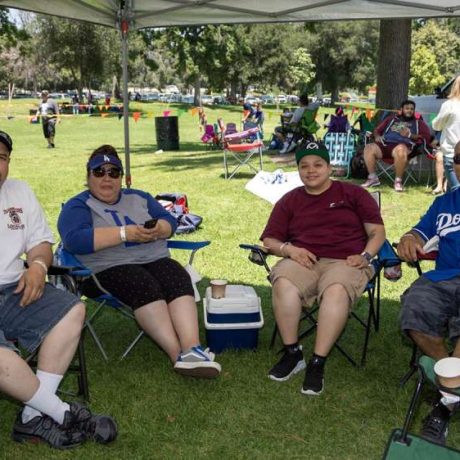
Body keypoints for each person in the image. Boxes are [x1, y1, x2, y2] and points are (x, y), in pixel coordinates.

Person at [58, 145, 221, 379]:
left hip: (152, 258)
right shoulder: (78, 205)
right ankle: (178, 355)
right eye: (99, 172)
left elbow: (169, 221)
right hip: (103, 269)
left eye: (113, 172)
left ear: (121, 177)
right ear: (88, 176)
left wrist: (159, 229)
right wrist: (125, 234)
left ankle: (192, 349)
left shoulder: (139, 197)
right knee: (142, 284)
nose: (107, 178)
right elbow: (75, 240)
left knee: (176, 275)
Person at [0, 130, 117, 449]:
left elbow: (40, 242)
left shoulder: (19, 192)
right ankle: (62, 413)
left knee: (72, 309)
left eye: (2, 158)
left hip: (14, 289)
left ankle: (29, 418)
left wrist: (38, 266)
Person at [260, 141, 385, 395]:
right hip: (303, 260)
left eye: (318, 164)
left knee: (336, 290)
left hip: (346, 261)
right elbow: (269, 241)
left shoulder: (353, 194)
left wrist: (365, 255)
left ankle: (317, 362)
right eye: (304, 166)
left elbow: (377, 232)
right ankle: (293, 354)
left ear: (329, 167)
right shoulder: (290, 200)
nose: (311, 170)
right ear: (298, 171)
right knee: (283, 282)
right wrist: (290, 250)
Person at [398, 141, 460, 445]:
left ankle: (444, 405)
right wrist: (408, 237)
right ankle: (453, 382)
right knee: (414, 308)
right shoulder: (444, 203)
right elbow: (418, 233)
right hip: (445, 278)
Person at [361, 99, 431, 192]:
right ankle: (372, 178)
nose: (409, 110)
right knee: (369, 147)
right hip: (385, 144)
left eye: (412, 109)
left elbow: (426, 137)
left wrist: (410, 135)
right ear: (401, 109)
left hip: (403, 147)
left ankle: (398, 181)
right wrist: (377, 136)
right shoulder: (391, 119)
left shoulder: (418, 123)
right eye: (407, 108)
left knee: (400, 149)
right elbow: (377, 130)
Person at [432, 75, 460, 192]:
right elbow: (436, 125)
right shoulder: (449, 105)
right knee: (455, 193)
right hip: (453, 154)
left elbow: (436, 125)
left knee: (455, 193)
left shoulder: (449, 105)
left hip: (452, 154)